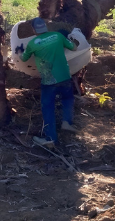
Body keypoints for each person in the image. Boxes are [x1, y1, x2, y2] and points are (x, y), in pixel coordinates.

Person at [16, 17, 77, 147]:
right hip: (65, 77)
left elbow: (24, 59)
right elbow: (74, 48)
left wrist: (20, 52)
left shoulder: (33, 43)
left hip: (49, 81)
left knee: (48, 108)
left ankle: (50, 138)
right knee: (67, 99)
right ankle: (67, 122)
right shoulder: (58, 35)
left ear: (33, 29)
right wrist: (72, 40)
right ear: (45, 27)